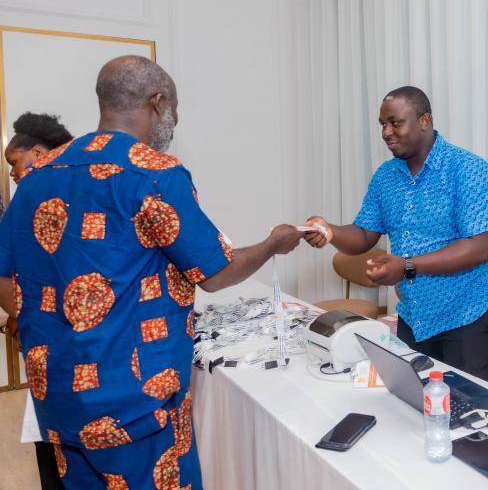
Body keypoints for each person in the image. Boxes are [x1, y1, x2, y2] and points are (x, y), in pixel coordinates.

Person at [0, 55, 303, 489]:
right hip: (136, 403)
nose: (176, 121)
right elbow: (215, 273)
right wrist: (274, 243)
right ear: (158, 102)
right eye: (175, 109)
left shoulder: (38, 175)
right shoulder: (155, 174)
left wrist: (53, 324)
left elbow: (6, 275)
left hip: (59, 396)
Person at [303, 86, 488, 381]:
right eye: (383, 124)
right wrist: (330, 231)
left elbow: (479, 248)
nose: (386, 133)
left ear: (424, 121)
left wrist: (407, 265)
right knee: (410, 399)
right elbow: (364, 233)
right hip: (414, 315)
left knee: (461, 404)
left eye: (395, 123)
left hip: (466, 315)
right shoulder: (385, 177)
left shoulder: (468, 169)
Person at [3, 112, 73, 490]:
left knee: (56, 440)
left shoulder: (30, 197)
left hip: (53, 345)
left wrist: (25, 317)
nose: (13, 172)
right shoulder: (83, 187)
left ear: (39, 153)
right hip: (78, 343)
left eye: (14, 163)